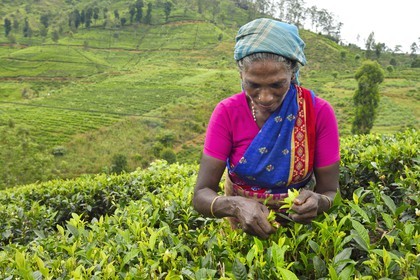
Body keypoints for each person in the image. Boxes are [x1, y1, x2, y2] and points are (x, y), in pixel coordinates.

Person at [193, 18, 340, 239]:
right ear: (241, 75)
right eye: (253, 84)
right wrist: (236, 206)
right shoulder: (227, 113)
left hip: (300, 232)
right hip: (240, 228)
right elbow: (201, 195)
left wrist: (318, 202)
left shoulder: (317, 112)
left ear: (292, 73)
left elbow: (331, 191)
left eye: (276, 84)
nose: (265, 97)